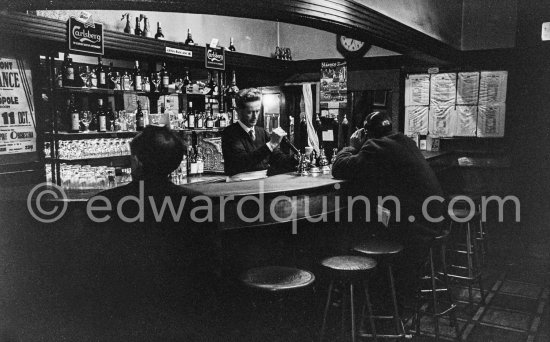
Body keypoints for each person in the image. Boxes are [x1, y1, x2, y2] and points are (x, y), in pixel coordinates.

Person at [83, 125, 221, 340]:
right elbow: (210, 262)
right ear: (175, 164)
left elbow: (95, 266)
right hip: (184, 306)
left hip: (125, 309)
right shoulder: (199, 203)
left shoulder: (103, 203)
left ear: (137, 161)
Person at [331, 111, 445, 306]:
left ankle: (359, 293)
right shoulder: (404, 141)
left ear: (366, 133)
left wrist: (351, 146)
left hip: (416, 227)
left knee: (358, 225)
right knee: (368, 217)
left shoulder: (376, 146)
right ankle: (376, 289)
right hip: (434, 220)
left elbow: (339, 167)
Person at [222, 87, 297, 177]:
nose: (255, 116)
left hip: (261, 182)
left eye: (257, 111)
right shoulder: (230, 133)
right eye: (250, 112)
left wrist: (296, 159)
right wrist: (271, 145)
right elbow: (242, 162)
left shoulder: (262, 132)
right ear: (238, 111)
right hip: (239, 185)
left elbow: (278, 159)